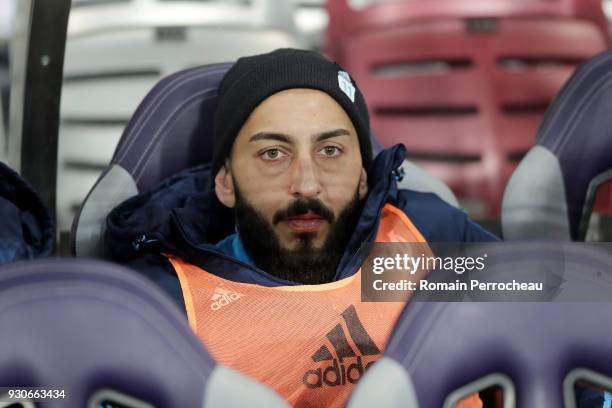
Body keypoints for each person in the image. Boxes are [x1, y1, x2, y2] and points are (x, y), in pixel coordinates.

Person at [105, 48, 496, 407]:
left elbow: (550, 306)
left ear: (363, 175)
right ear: (225, 182)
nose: (307, 184)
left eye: (330, 150)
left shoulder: (426, 236)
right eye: (273, 153)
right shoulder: (165, 302)